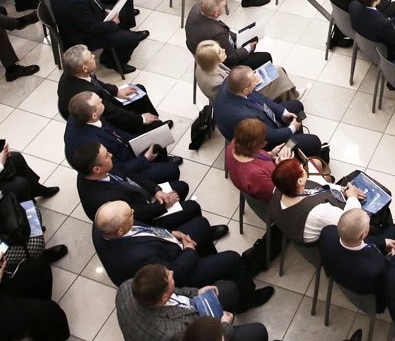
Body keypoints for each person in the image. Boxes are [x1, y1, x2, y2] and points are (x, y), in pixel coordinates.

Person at [92, 201, 272, 310]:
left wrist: (170, 233)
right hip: (175, 270)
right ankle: (246, 300)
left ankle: (211, 265)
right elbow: (172, 274)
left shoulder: (103, 224)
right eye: (130, 214)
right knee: (232, 259)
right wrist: (189, 251)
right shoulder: (138, 257)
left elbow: (143, 228)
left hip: (165, 245)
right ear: (120, 231)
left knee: (201, 224)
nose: (133, 212)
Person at [270, 158, 395, 246]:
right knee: (383, 207)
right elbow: (349, 221)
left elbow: (317, 188)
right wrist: (352, 196)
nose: (302, 166)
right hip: (342, 224)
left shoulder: (280, 187)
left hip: (306, 219)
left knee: (355, 175)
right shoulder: (318, 212)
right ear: (300, 181)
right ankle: (384, 236)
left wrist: (343, 189)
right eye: (301, 169)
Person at [114, 264, 267, 341]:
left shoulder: (128, 286)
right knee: (258, 332)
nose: (172, 272)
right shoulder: (173, 333)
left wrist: (195, 292)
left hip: (188, 312)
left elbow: (172, 291)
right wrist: (224, 326)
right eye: (170, 276)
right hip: (202, 331)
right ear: (163, 298)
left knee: (230, 289)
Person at [50, 0, 149, 73]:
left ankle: (119, 38)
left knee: (122, 12)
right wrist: (112, 23)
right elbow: (92, 28)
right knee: (131, 39)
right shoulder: (74, 1)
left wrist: (104, 9)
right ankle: (112, 61)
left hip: (86, 17)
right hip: (82, 36)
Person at [72, 142, 201, 229]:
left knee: (182, 187)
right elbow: (137, 214)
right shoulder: (103, 199)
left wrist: (156, 190)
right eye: (106, 156)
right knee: (192, 207)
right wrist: (164, 205)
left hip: (140, 195)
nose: (111, 155)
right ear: (96, 169)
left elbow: (129, 174)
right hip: (142, 217)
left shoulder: (98, 167)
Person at [63, 92, 181, 185]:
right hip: (120, 166)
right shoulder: (94, 145)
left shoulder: (82, 113)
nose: (102, 101)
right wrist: (145, 159)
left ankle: (161, 160)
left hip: (120, 147)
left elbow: (113, 130)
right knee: (172, 170)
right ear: (94, 115)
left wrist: (139, 139)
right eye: (99, 102)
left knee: (156, 135)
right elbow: (116, 169)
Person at [214, 66, 325, 157]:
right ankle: (298, 148)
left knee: (296, 105)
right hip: (263, 142)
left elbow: (260, 98)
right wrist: (292, 128)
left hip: (264, 119)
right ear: (245, 90)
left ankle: (297, 142)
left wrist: (283, 112)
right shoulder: (246, 119)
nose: (257, 80)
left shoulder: (233, 83)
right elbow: (270, 136)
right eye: (253, 82)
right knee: (314, 142)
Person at [56, 44, 162, 133]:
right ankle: (156, 126)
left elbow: (95, 81)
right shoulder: (89, 95)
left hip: (104, 104)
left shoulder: (73, 72)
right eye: (91, 57)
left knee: (139, 90)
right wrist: (141, 119)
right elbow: (112, 112)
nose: (94, 56)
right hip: (103, 118)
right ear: (85, 68)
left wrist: (116, 91)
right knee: (152, 126)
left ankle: (154, 118)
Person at [318, 208, 395, 312]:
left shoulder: (327, 232)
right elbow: (391, 280)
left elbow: (355, 240)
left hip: (339, 273)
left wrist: (382, 242)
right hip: (375, 301)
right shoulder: (376, 267)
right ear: (364, 235)